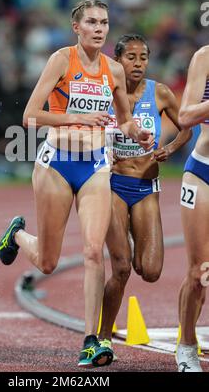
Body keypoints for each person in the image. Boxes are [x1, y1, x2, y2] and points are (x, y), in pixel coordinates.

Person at [0, 0, 153, 368]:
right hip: (57, 166)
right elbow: (30, 117)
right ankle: (18, 235)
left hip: (96, 167)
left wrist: (138, 133)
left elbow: (124, 119)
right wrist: (77, 117)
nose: (99, 29)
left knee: (90, 251)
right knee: (48, 262)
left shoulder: (113, 71)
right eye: (92, 22)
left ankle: (91, 340)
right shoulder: (60, 60)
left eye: (104, 22)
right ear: (76, 27)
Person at [98, 34, 192, 357]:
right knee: (121, 268)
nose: (138, 64)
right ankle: (103, 335)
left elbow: (187, 128)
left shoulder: (161, 93)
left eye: (143, 58)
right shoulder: (107, 92)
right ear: (119, 59)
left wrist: (168, 149)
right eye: (131, 58)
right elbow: (85, 126)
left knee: (149, 271)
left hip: (146, 187)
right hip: (113, 186)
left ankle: (131, 232)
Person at [176, 45, 209, 372]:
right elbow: (185, 116)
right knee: (199, 272)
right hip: (203, 172)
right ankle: (186, 347)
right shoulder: (204, 57)